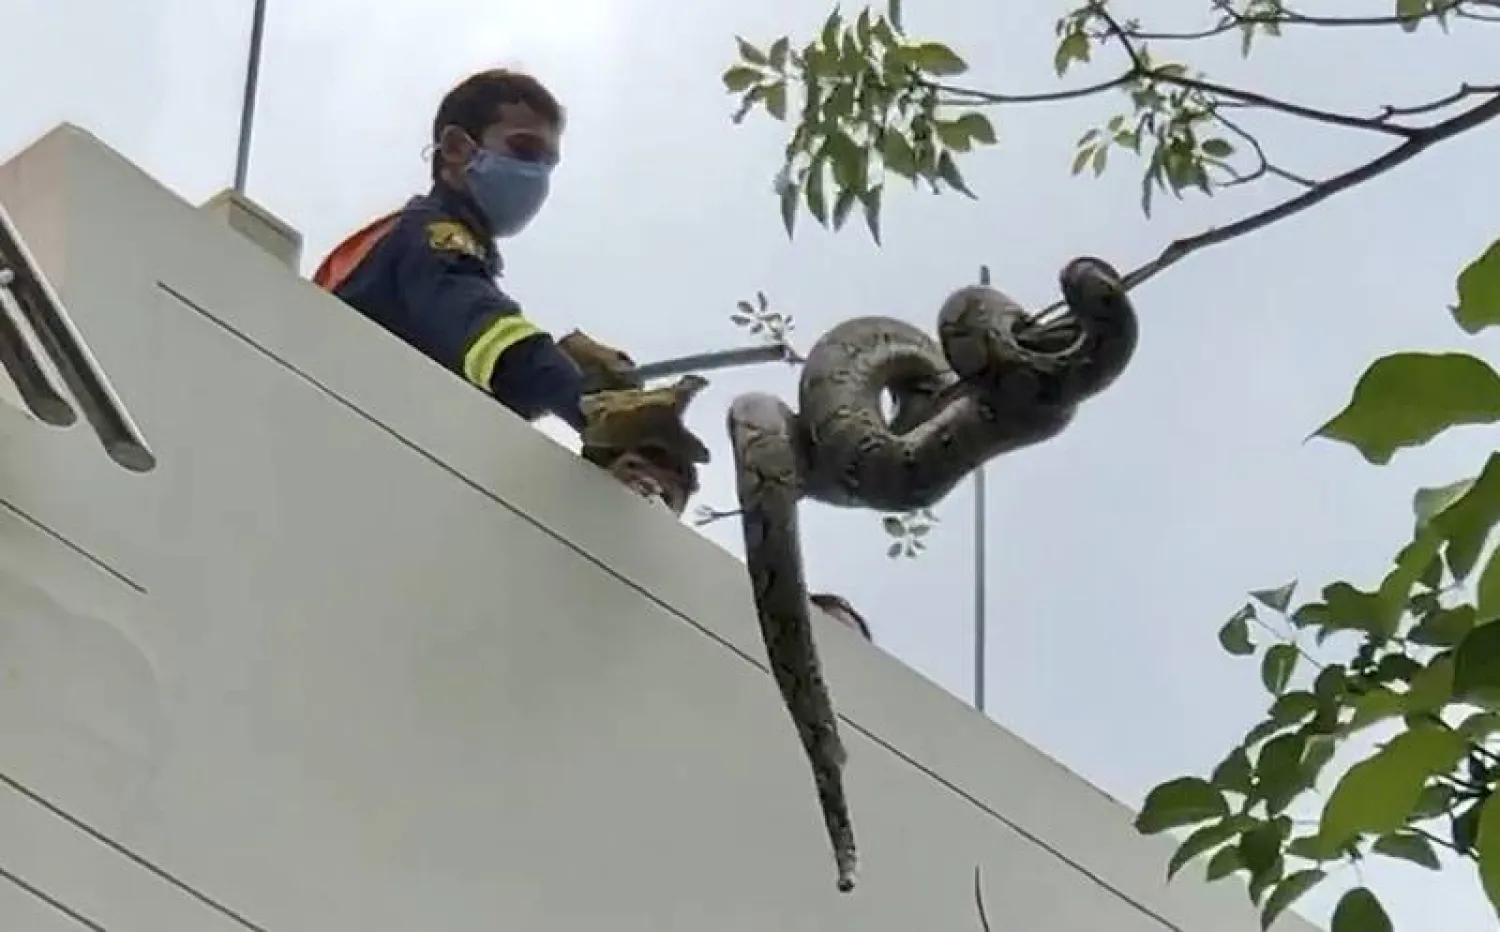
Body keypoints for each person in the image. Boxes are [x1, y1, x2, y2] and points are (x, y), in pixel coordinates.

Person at [311, 68, 653, 438]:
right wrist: (589, 403)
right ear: (457, 148)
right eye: (524, 150)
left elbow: (493, 381)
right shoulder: (427, 236)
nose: (536, 175)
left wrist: (559, 377)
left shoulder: (419, 243)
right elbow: (489, 336)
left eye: (547, 164)